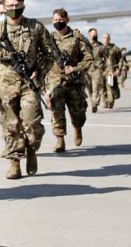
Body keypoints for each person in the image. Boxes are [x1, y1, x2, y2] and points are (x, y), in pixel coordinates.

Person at [0, 0, 54, 178]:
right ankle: (14, 162)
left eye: (16, 5)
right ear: (4, 8)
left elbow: (50, 53)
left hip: (29, 83)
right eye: (9, 6)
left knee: (32, 123)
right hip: (5, 84)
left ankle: (31, 149)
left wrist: (40, 71)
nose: (13, 9)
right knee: (10, 126)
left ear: (23, 6)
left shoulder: (35, 28)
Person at [46, 9, 94, 152]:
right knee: (56, 110)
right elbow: (43, 60)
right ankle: (60, 139)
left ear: (67, 20)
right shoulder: (48, 40)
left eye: (60, 20)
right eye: (55, 20)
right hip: (56, 81)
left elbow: (89, 58)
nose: (58, 23)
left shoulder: (77, 38)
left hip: (75, 81)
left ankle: (78, 127)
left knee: (78, 112)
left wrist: (76, 68)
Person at [102, 33, 123, 109]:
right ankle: (105, 101)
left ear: (110, 39)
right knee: (103, 87)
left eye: (107, 38)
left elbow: (120, 59)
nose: (106, 39)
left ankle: (111, 101)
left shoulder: (115, 48)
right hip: (102, 71)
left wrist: (119, 69)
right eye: (104, 38)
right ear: (102, 39)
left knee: (110, 86)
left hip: (111, 71)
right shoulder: (100, 48)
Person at [87, 28, 106, 113]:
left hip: (97, 69)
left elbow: (105, 57)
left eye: (96, 34)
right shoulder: (85, 44)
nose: (94, 35)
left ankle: (95, 102)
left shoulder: (100, 46)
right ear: (89, 35)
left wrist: (104, 67)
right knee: (89, 88)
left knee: (96, 87)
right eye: (93, 34)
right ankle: (93, 101)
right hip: (87, 69)